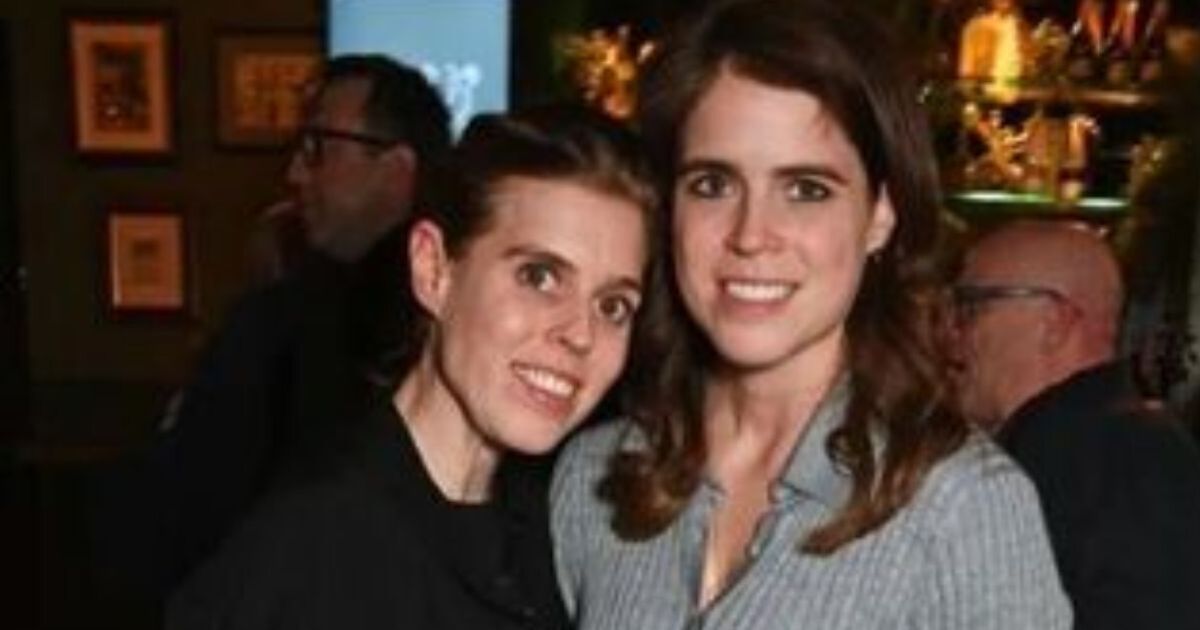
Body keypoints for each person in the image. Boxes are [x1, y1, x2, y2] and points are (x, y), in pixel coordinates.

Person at [550, 1, 1071, 628]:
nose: (751, 235)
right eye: (713, 184)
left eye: (805, 190)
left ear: (880, 215)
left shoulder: (962, 511)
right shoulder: (595, 480)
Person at [165, 104, 659, 630]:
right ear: (433, 269)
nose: (581, 334)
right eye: (538, 276)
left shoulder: (550, 531)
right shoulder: (319, 546)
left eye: (613, 306)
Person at [146, 54, 452, 591]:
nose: (295, 174)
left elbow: (189, 518)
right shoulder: (291, 312)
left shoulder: (288, 324)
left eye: (318, 148)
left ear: (398, 168)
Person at [949, 220, 1200, 630]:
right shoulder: (1119, 446)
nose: (951, 333)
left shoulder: (1082, 456)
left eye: (971, 306)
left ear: (1054, 322)